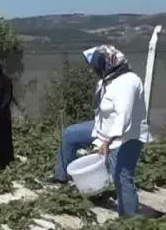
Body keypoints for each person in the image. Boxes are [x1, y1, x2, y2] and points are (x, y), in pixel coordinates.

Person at [52, 45, 149, 217]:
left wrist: (107, 142)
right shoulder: (107, 79)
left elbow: (123, 117)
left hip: (126, 135)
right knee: (70, 134)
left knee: (121, 175)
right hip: (102, 129)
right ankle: (62, 177)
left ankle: (129, 217)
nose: (93, 71)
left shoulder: (127, 82)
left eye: (95, 66)